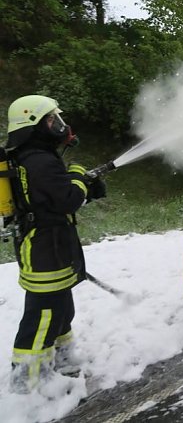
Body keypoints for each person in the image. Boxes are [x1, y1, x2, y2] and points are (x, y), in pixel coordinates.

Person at [4, 95, 106, 393]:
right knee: (43, 315)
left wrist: (88, 185)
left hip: (52, 246)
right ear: (34, 126)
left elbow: (58, 197)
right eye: (52, 121)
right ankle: (27, 384)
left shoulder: (36, 156)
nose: (60, 126)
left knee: (60, 308)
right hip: (45, 249)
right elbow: (68, 199)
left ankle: (62, 361)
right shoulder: (39, 161)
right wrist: (77, 176)